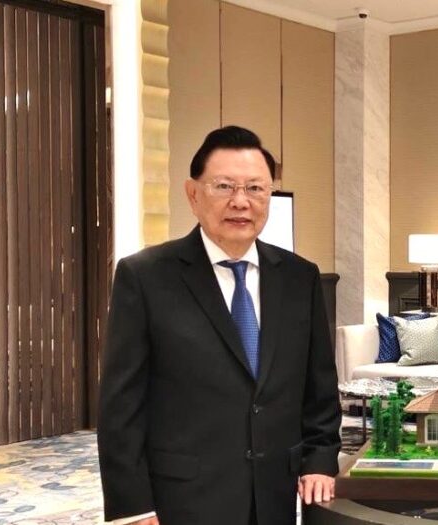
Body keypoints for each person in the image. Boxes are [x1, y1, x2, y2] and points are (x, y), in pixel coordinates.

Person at [98, 126, 342, 525]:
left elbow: (319, 388)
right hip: (184, 500)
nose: (240, 201)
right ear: (193, 194)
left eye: (256, 188)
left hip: (273, 496)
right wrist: (133, 507)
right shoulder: (145, 277)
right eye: (224, 186)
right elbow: (121, 406)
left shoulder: (300, 277)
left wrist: (319, 459)